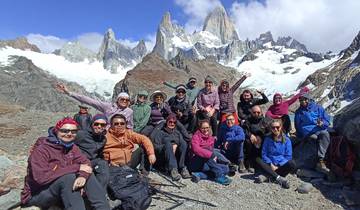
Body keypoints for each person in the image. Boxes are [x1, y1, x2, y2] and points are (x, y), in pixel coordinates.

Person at [21, 117, 110, 210]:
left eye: (73, 131)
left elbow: (85, 163)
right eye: (65, 131)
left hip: (61, 190)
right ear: (56, 130)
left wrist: (83, 176)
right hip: (37, 194)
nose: (69, 134)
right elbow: (41, 178)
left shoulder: (72, 147)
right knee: (68, 177)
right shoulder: (42, 150)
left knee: (88, 174)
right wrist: (76, 167)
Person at [55, 83, 133, 129]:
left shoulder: (129, 111)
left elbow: (129, 126)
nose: (124, 101)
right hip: (106, 132)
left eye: (127, 100)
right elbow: (89, 101)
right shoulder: (108, 106)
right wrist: (69, 93)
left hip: (121, 133)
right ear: (117, 100)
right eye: (122, 99)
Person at [294, 93, 331, 173]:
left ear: (309, 100)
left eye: (304, 99)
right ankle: (318, 162)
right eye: (300, 100)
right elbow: (297, 125)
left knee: (325, 134)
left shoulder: (318, 108)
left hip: (318, 129)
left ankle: (321, 159)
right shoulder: (299, 112)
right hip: (307, 132)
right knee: (313, 139)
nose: (302, 101)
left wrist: (322, 123)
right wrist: (300, 136)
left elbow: (327, 120)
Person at [255, 119, 296, 189]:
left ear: (281, 127)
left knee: (292, 163)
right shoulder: (267, 139)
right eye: (273, 127)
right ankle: (279, 178)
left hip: (281, 165)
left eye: (277, 127)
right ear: (271, 128)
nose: (275, 129)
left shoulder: (287, 140)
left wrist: (278, 166)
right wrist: (271, 164)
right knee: (258, 159)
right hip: (270, 163)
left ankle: (269, 176)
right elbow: (264, 154)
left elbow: (288, 156)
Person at [150, 114, 191, 181]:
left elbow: (182, 143)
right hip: (163, 156)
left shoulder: (177, 133)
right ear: (166, 122)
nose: (172, 124)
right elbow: (156, 146)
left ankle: (182, 168)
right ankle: (173, 170)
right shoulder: (161, 133)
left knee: (183, 143)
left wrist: (176, 145)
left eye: (174, 122)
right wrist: (168, 147)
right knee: (168, 144)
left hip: (174, 155)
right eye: (170, 122)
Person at [190, 120, 232, 185]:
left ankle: (200, 175)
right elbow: (196, 149)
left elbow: (212, 151)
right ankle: (219, 176)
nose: (205, 129)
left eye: (207, 127)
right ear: (199, 128)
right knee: (206, 151)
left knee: (226, 168)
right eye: (203, 128)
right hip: (196, 163)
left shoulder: (210, 137)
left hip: (206, 164)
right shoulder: (196, 136)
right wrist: (210, 155)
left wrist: (214, 158)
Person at [75, 114, 109, 189]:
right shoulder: (81, 134)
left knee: (103, 164)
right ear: (92, 124)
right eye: (96, 124)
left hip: (92, 162)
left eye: (102, 125)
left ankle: (100, 192)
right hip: (80, 162)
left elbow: (99, 153)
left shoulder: (103, 139)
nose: (99, 126)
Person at [242, 105, 272, 172]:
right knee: (247, 141)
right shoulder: (248, 121)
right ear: (251, 113)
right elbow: (244, 130)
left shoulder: (266, 120)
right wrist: (250, 135)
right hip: (252, 140)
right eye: (254, 112)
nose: (256, 114)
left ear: (261, 112)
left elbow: (270, 132)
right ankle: (249, 163)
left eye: (258, 112)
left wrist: (261, 137)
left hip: (263, 139)